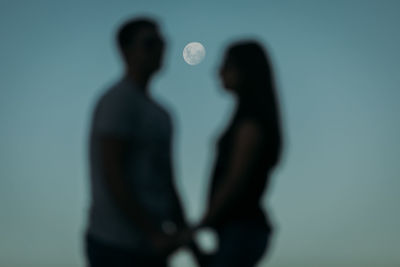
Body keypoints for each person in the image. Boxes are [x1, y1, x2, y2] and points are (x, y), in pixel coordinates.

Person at [85, 18, 189, 267]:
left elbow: (167, 180)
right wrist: (152, 232)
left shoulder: (162, 114)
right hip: (115, 244)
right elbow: (112, 172)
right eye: (150, 43)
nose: (161, 49)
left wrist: (187, 240)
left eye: (162, 42)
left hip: (153, 249)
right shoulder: (117, 102)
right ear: (125, 50)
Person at [196, 41, 283, 267]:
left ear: (245, 71)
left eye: (227, 65)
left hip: (242, 230)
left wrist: (205, 220)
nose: (219, 71)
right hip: (238, 231)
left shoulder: (250, 122)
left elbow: (235, 180)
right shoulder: (248, 117)